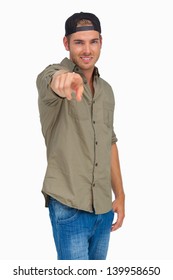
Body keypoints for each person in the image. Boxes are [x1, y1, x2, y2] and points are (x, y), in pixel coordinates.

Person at [36, 12, 125, 260]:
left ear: (100, 42)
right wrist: (62, 80)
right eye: (79, 42)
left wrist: (120, 195)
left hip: (103, 209)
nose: (87, 49)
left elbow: (109, 142)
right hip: (69, 206)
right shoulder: (53, 75)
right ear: (66, 43)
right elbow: (50, 81)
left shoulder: (106, 90)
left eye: (93, 41)